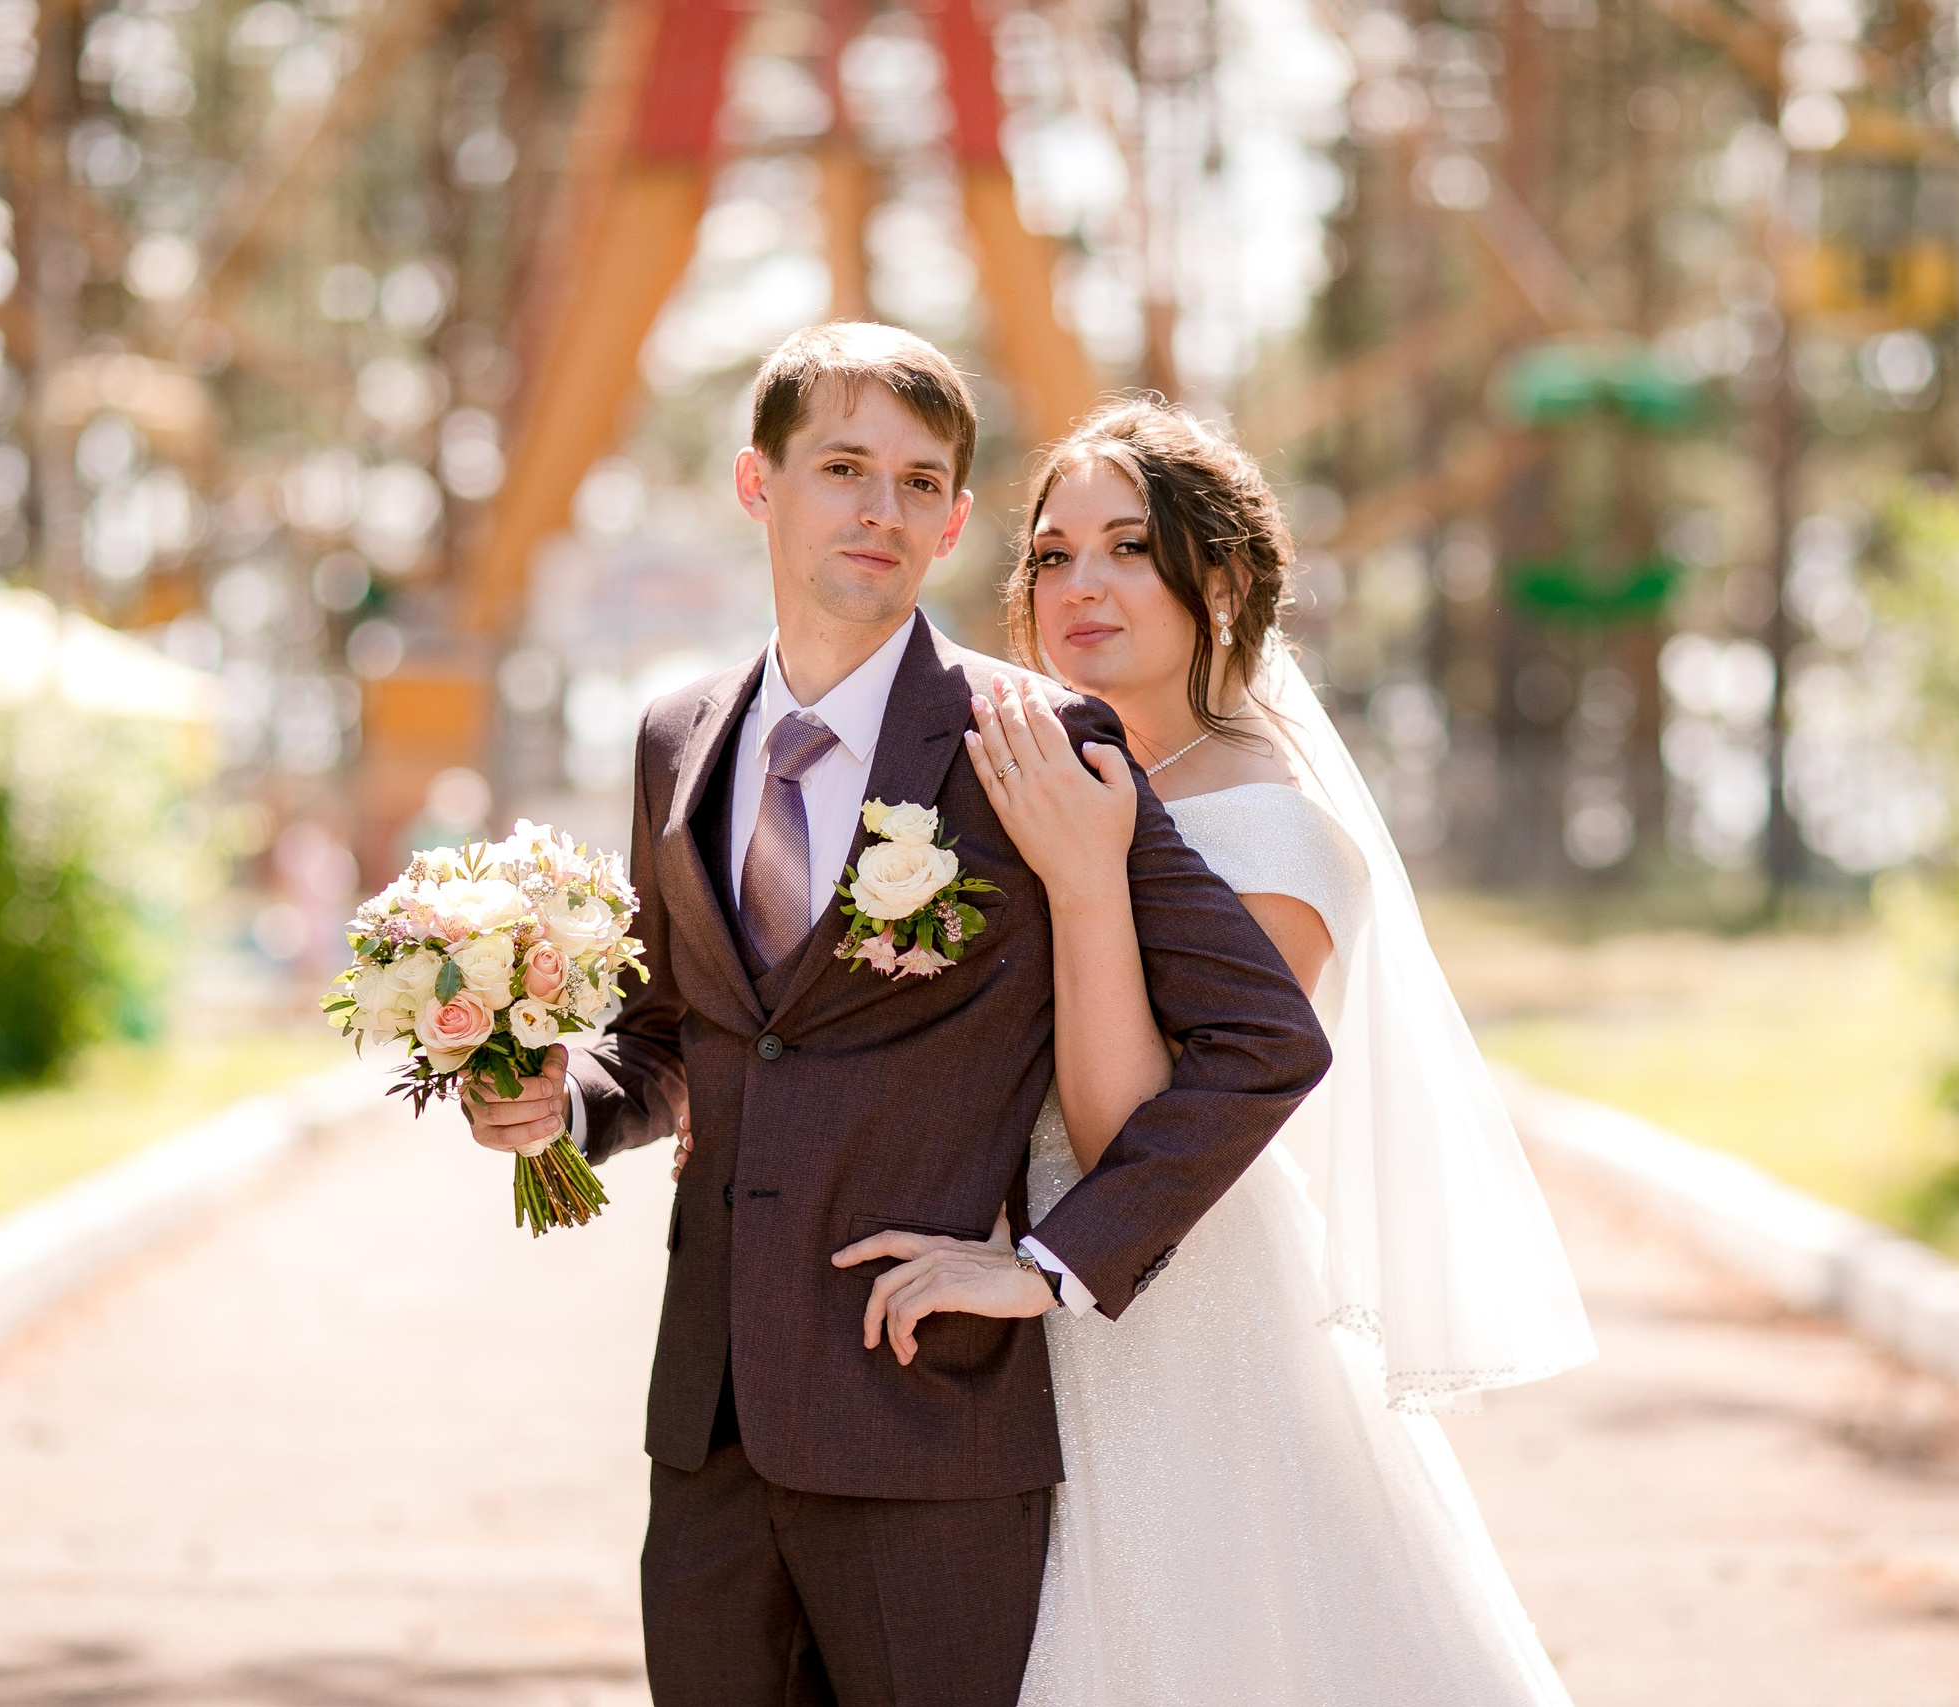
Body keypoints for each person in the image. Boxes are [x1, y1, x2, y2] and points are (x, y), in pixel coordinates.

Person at [459, 326, 1331, 1707]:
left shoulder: (1043, 742)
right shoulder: (673, 737)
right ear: (760, 486)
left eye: (921, 483)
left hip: (927, 1419)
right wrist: (559, 1102)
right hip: (709, 1432)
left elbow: (1266, 1044)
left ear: (956, 521)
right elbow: (676, 1028)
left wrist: (1050, 1266)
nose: (882, 508)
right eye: (844, 467)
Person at [962, 397, 1599, 1705]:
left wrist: (1087, 889)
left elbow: (1119, 1137)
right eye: (1051, 552)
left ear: (1226, 581)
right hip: (1032, 1313)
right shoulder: (1061, 769)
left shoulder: (1271, 829)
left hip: (1177, 1325)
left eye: (1128, 548)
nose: (1079, 584)